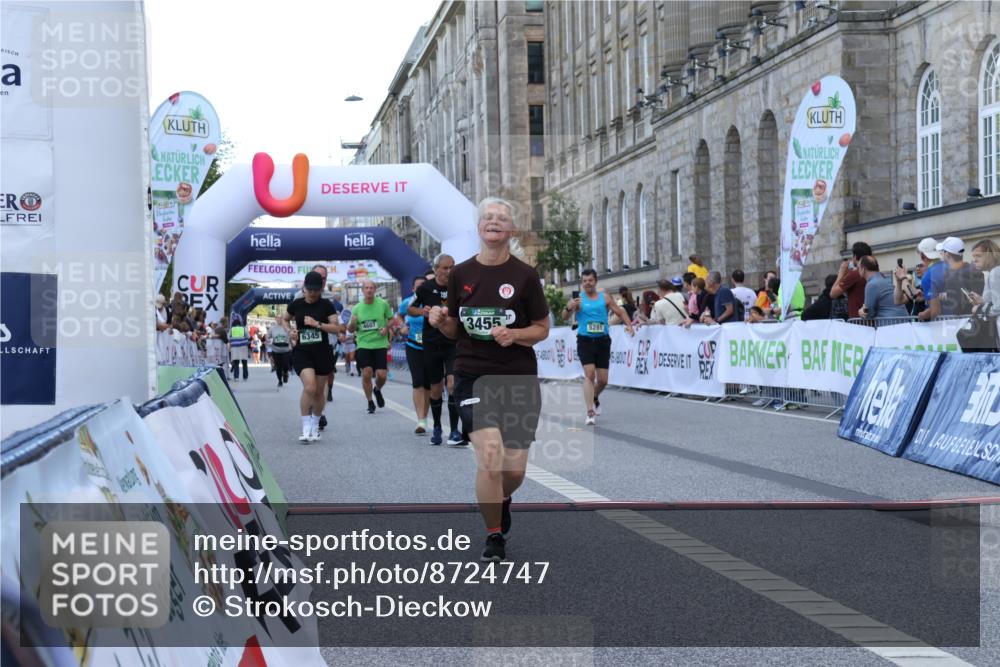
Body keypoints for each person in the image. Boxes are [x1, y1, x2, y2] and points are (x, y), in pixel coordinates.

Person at [427, 196, 550, 562]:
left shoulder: (525, 276)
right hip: (472, 374)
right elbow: (453, 329)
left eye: (502, 218)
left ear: (511, 230)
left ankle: (504, 498)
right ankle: (494, 535)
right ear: (479, 228)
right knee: (490, 456)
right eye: (487, 217)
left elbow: (542, 328)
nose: (494, 221)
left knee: (513, 471)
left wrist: (516, 335)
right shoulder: (461, 274)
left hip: (517, 377)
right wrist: (441, 320)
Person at [562, 269, 635, 426]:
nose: (587, 283)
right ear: (582, 283)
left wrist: (629, 325)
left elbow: (620, 311)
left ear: (595, 281)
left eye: (590, 280)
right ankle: (590, 412)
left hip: (603, 341)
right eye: (584, 281)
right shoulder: (578, 300)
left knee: (603, 380)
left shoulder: (605, 297)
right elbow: (564, 317)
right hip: (585, 341)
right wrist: (568, 308)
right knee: (589, 375)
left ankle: (594, 396)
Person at [408, 254, 463, 445]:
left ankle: (455, 430)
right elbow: (410, 308)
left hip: (452, 344)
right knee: (436, 388)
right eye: (445, 268)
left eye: (452, 267)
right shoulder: (425, 288)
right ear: (436, 269)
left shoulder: (458, 286)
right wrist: (423, 311)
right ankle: (438, 426)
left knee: (452, 384)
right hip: (431, 344)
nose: (449, 271)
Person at [282, 270, 342, 442]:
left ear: (321, 289)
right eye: (310, 290)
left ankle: (315, 424)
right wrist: (290, 331)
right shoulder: (296, 304)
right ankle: (305, 426)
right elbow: (285, 319)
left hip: (322, 352)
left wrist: (318, 324)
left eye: (317, 290)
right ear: (304, 288)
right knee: (310, 387)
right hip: (302, 351)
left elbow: (336, 328)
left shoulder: (326, 305)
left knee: (318, 393)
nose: (313, 293)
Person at [348, 279, 394, 415]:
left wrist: (386, 328)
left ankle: (377, 389)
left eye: (371, 288)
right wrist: (353, 323)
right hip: (363, 344)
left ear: (375, 290)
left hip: (380, 343)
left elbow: (391, 320)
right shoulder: (357, 308)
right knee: (367, 373)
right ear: (362, 291)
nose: (369, 290)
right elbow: (351, 329)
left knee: (382, 375)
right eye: (366, 288)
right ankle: (370, 401)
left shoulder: (383, 304)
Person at [920, 237, 984, 319]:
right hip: (976, 320)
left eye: (942, 252)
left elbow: (959, 302)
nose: (940, 254)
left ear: (947, 254)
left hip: (962, 323)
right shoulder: (974, 270)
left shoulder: (953, 275)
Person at [400, 276, 430, 433]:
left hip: (431, 346)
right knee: (417, 382)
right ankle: (421, 421)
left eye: (423, 286)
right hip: (413, 345)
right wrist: (402, 327)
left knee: (428, 384)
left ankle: (425, 415)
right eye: (417, 287)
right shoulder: (407, 303)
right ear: (413, 289)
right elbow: (399, 316)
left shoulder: (433, 301)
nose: (420, 290)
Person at [857, 256, 910, 323]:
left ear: (863, 269)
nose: (857, 270)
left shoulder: (871, 284)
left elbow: (868, 314)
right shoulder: (883, 279)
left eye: (858, 267)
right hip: (904, 320)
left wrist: (860, 311)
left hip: (890, 324)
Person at [830, 241, 873, 319]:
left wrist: (841, 273)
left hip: (858, 321)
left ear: (855, 256)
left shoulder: (855, 274)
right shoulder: (875, 273)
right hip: (873, 321)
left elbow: (833, 293)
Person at [970, 239, 1000, 313]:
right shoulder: (993, 272)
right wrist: (982, 301)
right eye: (973, 256)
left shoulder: (995, 272)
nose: (974, 260)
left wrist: (979, 308)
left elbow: (998, 308)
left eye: (978, 256)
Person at [268, 320, 292, 388]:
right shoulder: (272, 328)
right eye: (278, 318)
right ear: (276, 319)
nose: (279, 319)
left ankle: (285, 373)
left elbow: (291, 335)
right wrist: (268, 341)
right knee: (278, 366)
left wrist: (292, 343)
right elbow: (268, 337)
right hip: (276, 350)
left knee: (285, 363)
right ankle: (280, 381)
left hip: (286, 349)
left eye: (281, 318)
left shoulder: (287, 327)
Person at [228, 314, 249, 380]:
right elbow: (248, 336)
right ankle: (245, 376)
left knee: (236, 362)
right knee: (244, 362)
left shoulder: (232, 329)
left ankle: (236, 376)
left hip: (235, 347)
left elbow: (228, 337)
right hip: (243, 347)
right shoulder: (243, 328)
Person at [154, 295, 171, 364]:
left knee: (163, 349)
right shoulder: (154, 310)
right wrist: (160, 326)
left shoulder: (168, 310)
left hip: (164, 334)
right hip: (156, 332)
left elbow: (169, 324)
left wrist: (165, 326)